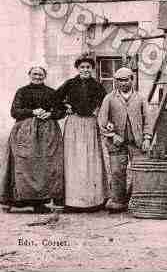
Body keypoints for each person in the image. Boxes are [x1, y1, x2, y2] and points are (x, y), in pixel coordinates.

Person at [0, 66, 65, 213]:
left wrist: (50, 114)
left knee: (44, 166)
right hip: (24, 131)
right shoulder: (22, 92)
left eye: (40, 74)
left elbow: (61, 111)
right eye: (34, 74)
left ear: (45, 76)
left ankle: (39, 203)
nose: (37, 76)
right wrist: (32, 112)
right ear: (29, 75)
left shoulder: (51, 93)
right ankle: (17, 199)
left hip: (47, 133)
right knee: (23, 163)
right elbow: (14, 111)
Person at [54, 54, 107, 210]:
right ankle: (73, 202)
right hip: (74, 124)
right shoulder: (70, 84)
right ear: (77, 68)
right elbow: (54, 98)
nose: (85, 70)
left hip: (90, 124)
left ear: (92, 69)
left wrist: (98, 111)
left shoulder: (96, 85)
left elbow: (105, 102)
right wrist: (66, 108)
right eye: (82, 67)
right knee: (73, 159)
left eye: (88, 67)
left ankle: (93, 201)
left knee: (91, 159)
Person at [98, 67, 153, 213]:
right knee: (117, 171)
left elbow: (148, 120)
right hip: (117, 143)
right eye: (119, 81)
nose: (122, 83)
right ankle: (118, 202)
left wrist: (147, 138)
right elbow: (102, 121)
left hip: (137, 142)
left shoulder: (140, 98)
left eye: (125, 80)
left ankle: (138, 199)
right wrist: (112, 136)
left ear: (132, 80)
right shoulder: (109, 98)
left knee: (140, 171)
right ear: (116, 82)